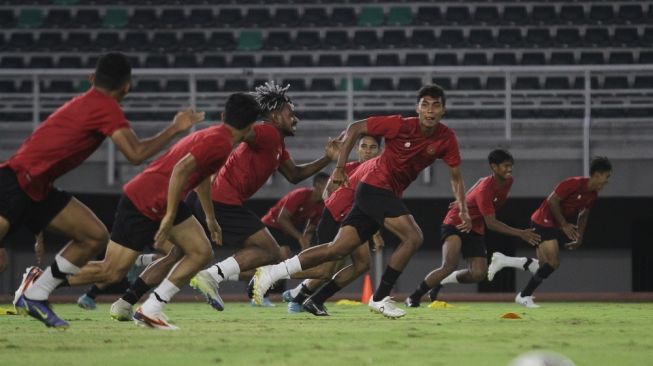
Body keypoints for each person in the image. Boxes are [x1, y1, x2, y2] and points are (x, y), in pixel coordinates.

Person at [108, 81, 340, 319]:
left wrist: (326, 158)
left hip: (205, 196)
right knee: (270, 250)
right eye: (290, 113)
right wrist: (231, 130)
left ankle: (126, 301)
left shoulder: (277, 144)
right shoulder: (266, 131)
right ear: (274, 116)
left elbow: (294, 175)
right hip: (222, 199)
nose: (295, 118)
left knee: (177, 255)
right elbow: (242, 131)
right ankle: (212, 276)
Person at [5, 52, 204, 328]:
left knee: (94, 236)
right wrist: (175, 128)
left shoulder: (86, 103)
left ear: (92, 78)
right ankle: (35, 287)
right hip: (14, 184)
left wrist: (35, 221)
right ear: (126, 87)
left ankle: (36, 292)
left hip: (35, 186)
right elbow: (135, 154)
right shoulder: (105, 107)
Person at [253, 84, 472, 319]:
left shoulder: (446, 138)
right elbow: (355, 127)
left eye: (435, 105)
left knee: (337, 250)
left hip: (378, 194)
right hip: (375, 188)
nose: (430, 110)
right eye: (425, 105)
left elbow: (456, 176)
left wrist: (463, 206)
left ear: (443, 110)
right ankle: (379, 298)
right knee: (413, 237)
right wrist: (338, 167)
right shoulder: (400, 125)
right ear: (417, 108)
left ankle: (272, 274)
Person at [63, 92, 260, 329]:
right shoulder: (219, 142)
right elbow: (180, 170)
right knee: (111, 272)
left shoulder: (216, 137)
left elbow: (200, 177)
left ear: (223, 115)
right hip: (148, 199)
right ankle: (44, 280)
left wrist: (210, 218)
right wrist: (167, 216)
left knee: (200, 252)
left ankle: (145, 307)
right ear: (251, 126)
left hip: (159, 196)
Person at [404, 149, 541, 307]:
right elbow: (492, 223)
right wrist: (521, 233)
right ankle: (414, 297)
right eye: (505, 166)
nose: (509, 169)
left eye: (511, 166)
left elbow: (479, 180)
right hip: (457, 222)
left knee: (478, 274)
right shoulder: (486, 189)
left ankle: (441, 281)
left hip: (475, 227)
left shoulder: (507, 181)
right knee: (449, 265)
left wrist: (463, 199)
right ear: (494, 167)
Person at [487, 156, 612, 308]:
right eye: (607, 176)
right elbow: (552, 200)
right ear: (597, 175)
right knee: (554, 262)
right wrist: (565, 225)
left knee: (542, 267)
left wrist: (579, 237)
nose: (607, 180)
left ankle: (504, 260)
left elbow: (583, 215)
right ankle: (523, 296)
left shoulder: (592, 195)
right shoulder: (574, 183)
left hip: (551, 225)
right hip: (543, 221)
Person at [283, 135, 383, 314]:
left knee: (362, 264)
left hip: (355, 224)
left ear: (379, 151)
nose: (368, 151)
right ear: (357, 149)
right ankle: (275, 276)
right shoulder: (347, 168)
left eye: (372, 147)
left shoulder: (377, 173)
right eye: (364, 146)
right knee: (325, 270)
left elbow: (371, 206)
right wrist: (343, 211)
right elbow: (327, 195)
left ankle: (310, 298)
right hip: (336, 221)